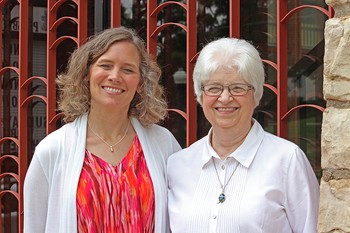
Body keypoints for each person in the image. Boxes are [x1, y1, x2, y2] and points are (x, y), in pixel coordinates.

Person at [24, 27, 181, 233]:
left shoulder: (163, 143)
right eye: (105, 65)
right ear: (87, 74)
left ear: (141, 83)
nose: (115, 76)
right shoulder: (52, 150)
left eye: (128, 69)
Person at [167, 38, 320, 233]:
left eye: (237, 87)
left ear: (255, 93)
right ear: (200, 94)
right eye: (214, 88)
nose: (224, 98)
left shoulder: (287, 161)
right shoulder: (178, 165)